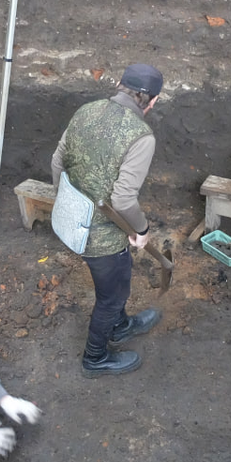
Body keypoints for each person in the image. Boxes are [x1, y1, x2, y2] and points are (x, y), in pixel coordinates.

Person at [50, 63, 165, 377]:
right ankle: (95, 358)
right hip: (101, 238)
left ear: (118, 84)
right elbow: (123, 199)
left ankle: (121, 326)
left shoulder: (86, 110)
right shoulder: (142, 137)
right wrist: (141, 230)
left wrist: (68, 202)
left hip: (72, 220)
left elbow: (57, 161)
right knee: (111, 296)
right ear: (152, 100)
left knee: (115, 289)